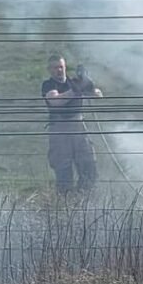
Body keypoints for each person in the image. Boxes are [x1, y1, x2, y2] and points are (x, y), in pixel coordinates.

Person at [41, 54, 103, 193]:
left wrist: (87, 83)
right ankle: (66, 204)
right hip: (60, 129)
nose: (59, 70)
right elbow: (55, 101)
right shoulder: (49, 85)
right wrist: (75, 91)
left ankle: (84, 199)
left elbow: (98, 94)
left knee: (88, 167)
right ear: (49, 69)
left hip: (79, 127)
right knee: (63, 172)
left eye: (61, 67)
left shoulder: (74, 82)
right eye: (55, 67)